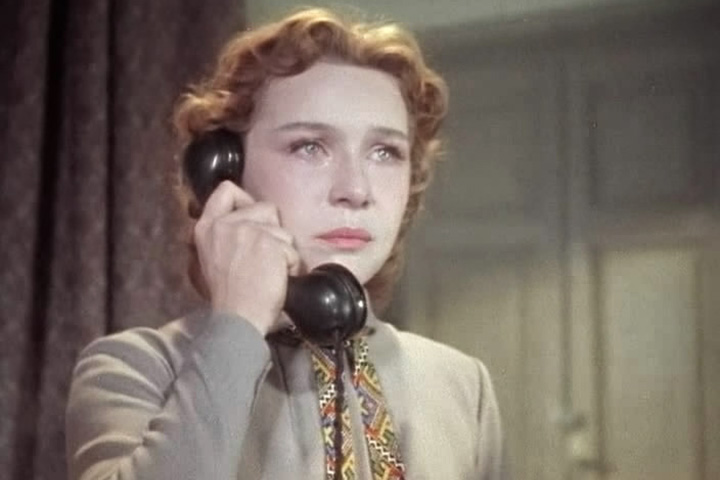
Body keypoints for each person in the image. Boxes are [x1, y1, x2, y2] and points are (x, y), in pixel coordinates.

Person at [65, 7, 506, 480]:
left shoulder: (463, 386)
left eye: (385, 152)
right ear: (226, 173)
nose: (356, 190)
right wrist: (238, 323)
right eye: (310, 146)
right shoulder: (135, 369)